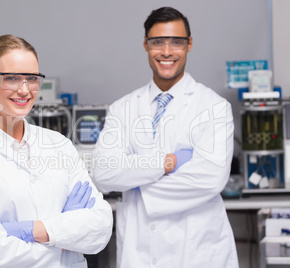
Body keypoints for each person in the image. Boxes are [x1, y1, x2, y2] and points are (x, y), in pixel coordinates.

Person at [0, 34, 113, 268]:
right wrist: (66, 238)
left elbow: (101, 228)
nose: (25, 90)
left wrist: (35, 230)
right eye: (12, 78)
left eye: (32, 78)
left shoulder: (59, 145)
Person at [93, 7, 238, 268]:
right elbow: (103, 174)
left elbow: (210, 178)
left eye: (176, 42)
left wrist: (135, 183)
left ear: (189, 45)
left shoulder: (213, 108)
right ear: (146, 45)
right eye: (158, 42)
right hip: (141, 251)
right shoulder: (123, 108)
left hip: (198, 252)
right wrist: (167, 162)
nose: (167, 51)